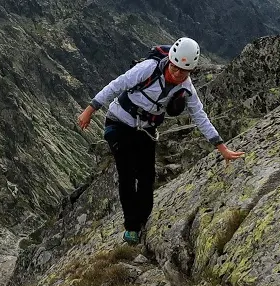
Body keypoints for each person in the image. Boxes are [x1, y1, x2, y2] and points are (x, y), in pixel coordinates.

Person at [77, 37, 244, 243]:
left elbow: (200, 117)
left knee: (147, 177)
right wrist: (90, 109)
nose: (177, 73)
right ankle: (131, 227)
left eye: (183, 71)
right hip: (119, 122)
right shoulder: (149, 68)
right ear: (170, 61)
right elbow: (117, 85)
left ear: (190, 71)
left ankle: (143, 220)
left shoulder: (187, 89)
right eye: (175, 67)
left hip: (145, 129)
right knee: (127, 174)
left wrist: (221, 147)